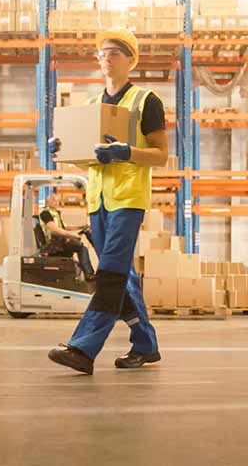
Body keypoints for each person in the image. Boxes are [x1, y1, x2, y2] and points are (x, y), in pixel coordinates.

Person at [46, 27, 169, 375]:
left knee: (110, 274)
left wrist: (126, 151)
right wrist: (64, 152)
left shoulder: (146, 101)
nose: (106, 59)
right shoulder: (91, 107)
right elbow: (89, 161)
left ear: (131, 60)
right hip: (98, 202)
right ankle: (145, 344)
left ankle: (83, 349)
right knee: (122, 276)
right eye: (102, 53)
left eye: (114, 52)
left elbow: (161, 155)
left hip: (128, 200)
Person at [39, 191, 96, 280]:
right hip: (53, 244)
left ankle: (87, 271)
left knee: (78, 244)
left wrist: (81, 227)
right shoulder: (45, 213)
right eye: (53, 200)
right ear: (47, 202)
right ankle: (89, 274)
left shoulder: (55, 212)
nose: (56, 203)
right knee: (81, 247)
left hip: (58, 241)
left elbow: (65, 227)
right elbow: (54, 229)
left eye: (57, 201)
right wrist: (70, 235)